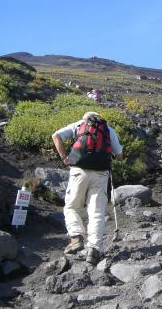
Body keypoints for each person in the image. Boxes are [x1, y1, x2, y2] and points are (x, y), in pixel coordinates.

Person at [52, 112, 123, 264]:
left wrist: (65, 157)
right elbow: (119, 155)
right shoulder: (108, 130)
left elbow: (55, 136)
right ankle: (95, 250)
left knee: (72, 207)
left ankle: (76, 238)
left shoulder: (78, 125)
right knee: (97, 212)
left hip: (79, 171)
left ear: (86, 119)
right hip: (101, 174)